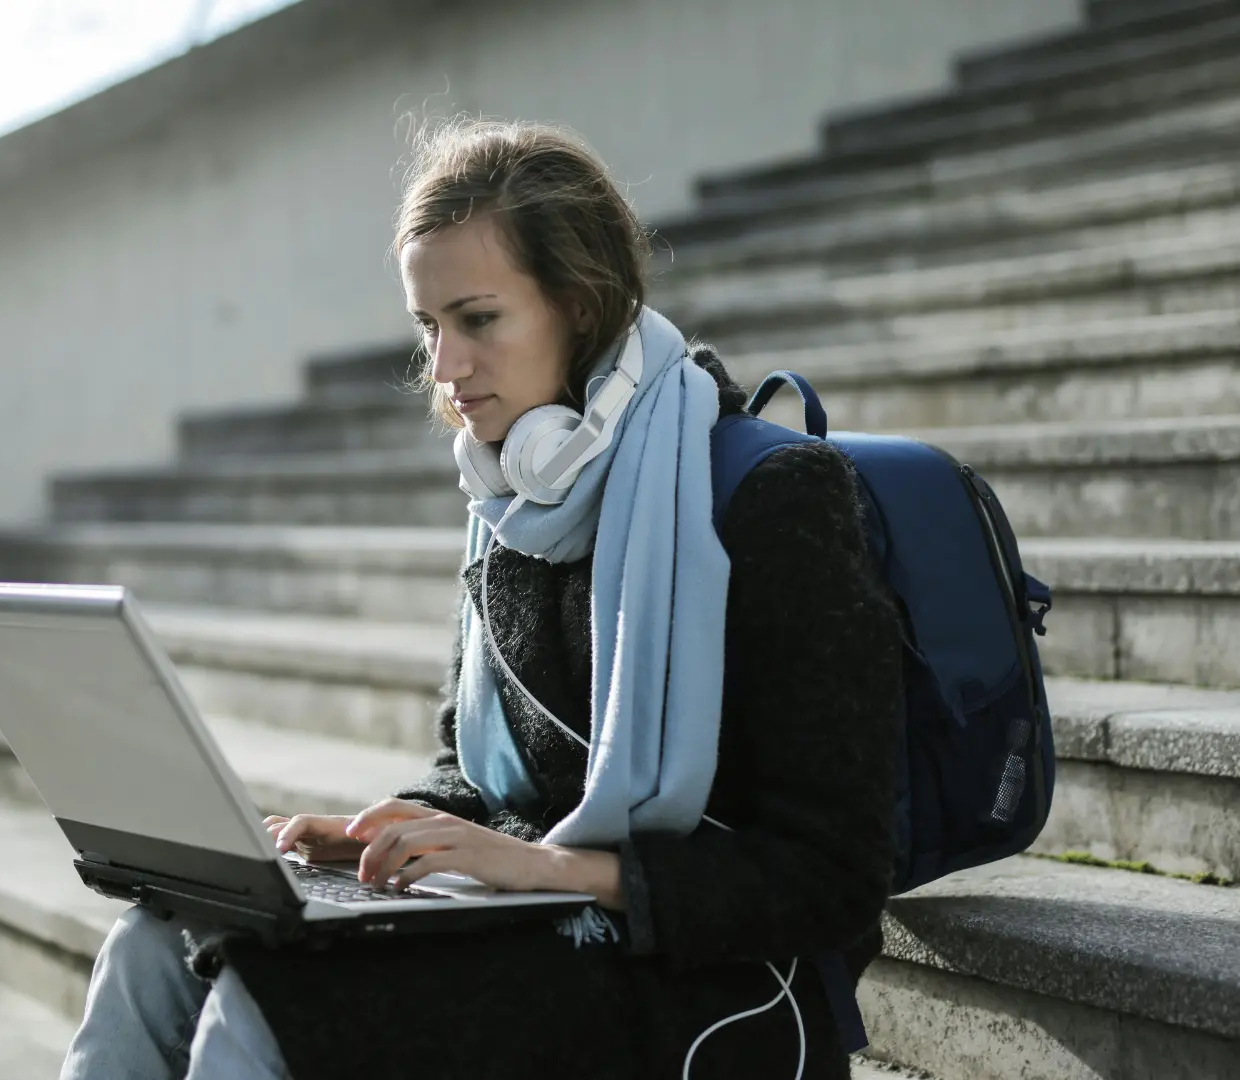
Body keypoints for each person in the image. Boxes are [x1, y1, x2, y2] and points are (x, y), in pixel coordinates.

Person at [58, 117, 903, 1080]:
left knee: (270, 1007)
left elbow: (833, 876)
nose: (447, 370)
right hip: (544, 920)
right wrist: (381, 827)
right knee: (152, 943)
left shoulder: (772, 498)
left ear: (579, 306)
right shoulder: (512, 501)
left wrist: (555, 870)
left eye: (479, 319)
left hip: (716, 977)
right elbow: (477, 776)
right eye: (429, 326)